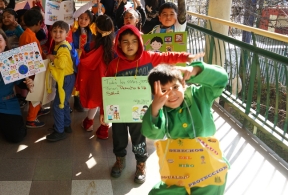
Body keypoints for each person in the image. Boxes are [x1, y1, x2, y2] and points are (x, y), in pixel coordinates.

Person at [100, 24, 203, 184]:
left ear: (140, 42)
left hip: (141, 110)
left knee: (138, 137)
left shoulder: (148, 57)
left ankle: (141, 164)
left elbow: (167, 56)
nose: (130, 45)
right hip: (119, 111)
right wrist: (103, 111)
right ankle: (120, 160)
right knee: (118, 137)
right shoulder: (115, 65)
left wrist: (185, 57)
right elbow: (107, 90)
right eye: (125, 42)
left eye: (134, 41)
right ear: (119, 44)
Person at [141, 62, 228, 194]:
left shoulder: (199, 95)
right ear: (155, 94)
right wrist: (154, 108)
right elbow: (152, 134)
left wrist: (196, 70)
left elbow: (221, 79)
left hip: (209, 166)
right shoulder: (160, 109)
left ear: (183, 84)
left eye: (175, 87)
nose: (171, 94)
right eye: (163, 91)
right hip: (179, 166)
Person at [76, 15, 115, 132]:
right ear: (112, 29)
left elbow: (83, 63)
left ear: (96, 28)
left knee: (94, 101)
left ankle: (88, 123)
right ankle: (104, 129)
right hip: (110, 80)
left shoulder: (89, 46)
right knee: (107, 103)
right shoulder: (115, 48)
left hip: (95, 81)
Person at [18, 9, 50, 128]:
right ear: (38, 23)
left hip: (32, 68)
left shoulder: (26, 34)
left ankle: (38, 110)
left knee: (37, 93)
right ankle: (31, 119)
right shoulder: (29, 37)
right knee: (36, 93)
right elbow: (32, 57)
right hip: (34, 70)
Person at [45, 21, 75, 142]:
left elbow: (61, 64)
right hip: (66, 78)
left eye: (61, 31)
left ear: (67, 33)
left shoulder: (62, 48)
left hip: (65, 79)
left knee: (58, 105)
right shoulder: (62, 44)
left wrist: (52, 57)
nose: (57, 34)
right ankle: (66, 124)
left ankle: (59, 130)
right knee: (65, 102)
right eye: (55, 31)